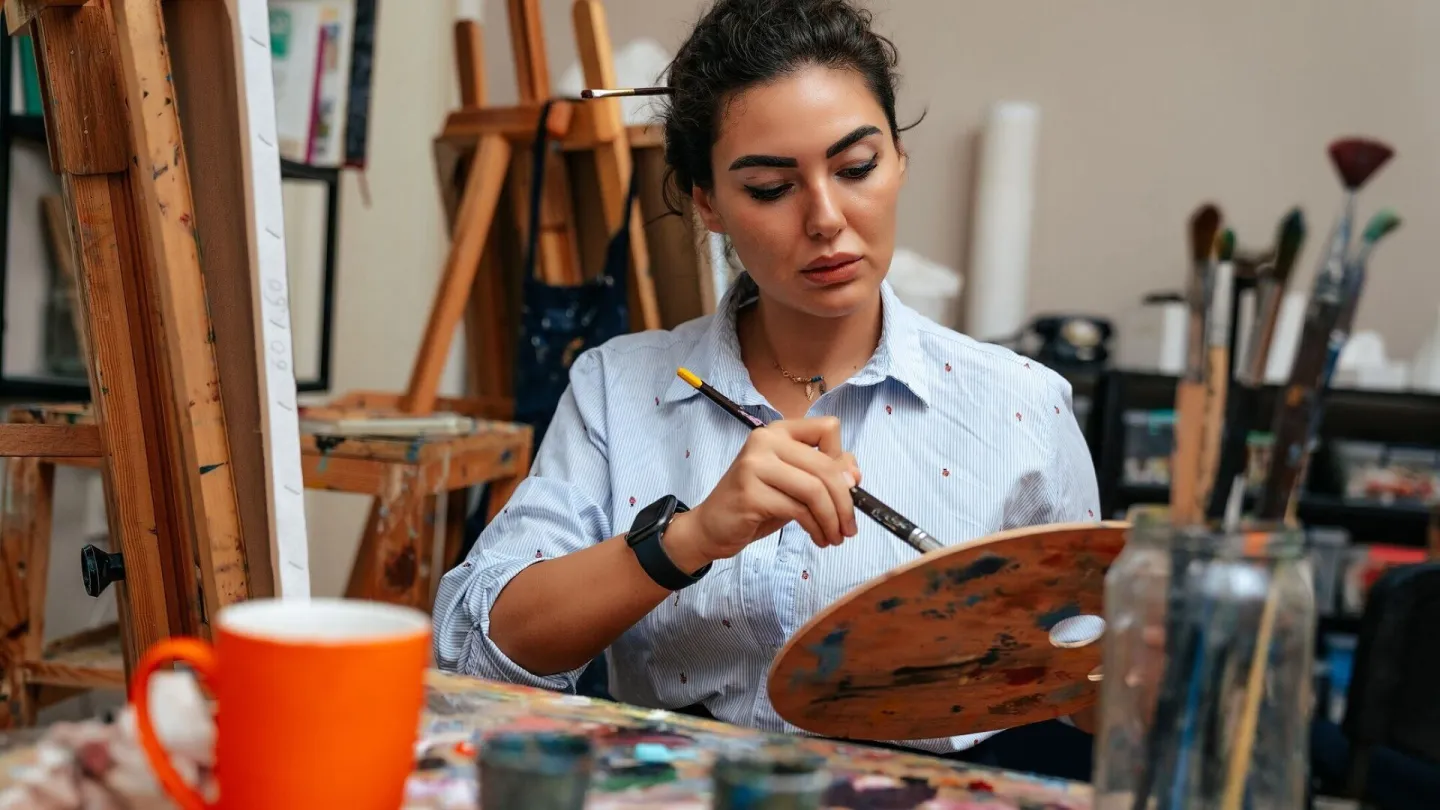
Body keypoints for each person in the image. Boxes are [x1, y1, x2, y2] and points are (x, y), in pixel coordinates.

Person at [433, 0, 1101, 781]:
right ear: (708, 202)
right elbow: (472, 656)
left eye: (856, 168)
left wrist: (1124, 658)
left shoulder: (1022, 403)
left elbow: (1089, 695)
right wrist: (691, 539)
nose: (825, 219)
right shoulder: (619, 387)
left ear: (899, 159)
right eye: (769, 188)